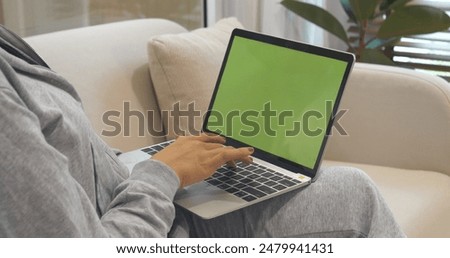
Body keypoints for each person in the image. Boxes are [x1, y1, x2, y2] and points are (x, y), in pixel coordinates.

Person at [0, 24, 405, 238]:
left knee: (351, 187)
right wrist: (163, 174)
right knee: (358, 200)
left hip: (146, 204)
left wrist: (148, 164)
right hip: (154, 227)